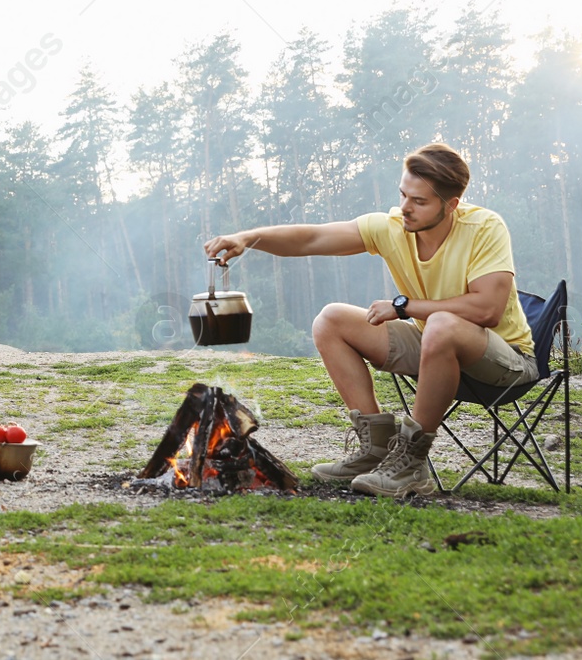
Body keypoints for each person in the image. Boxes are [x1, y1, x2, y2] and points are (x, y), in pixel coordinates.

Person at [203, 142, 536, 497]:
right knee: (332, 320)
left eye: (419, 201)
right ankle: (376, 449)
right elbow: (312, 237)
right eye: (403, 195)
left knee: (439, 323)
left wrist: (404, 306)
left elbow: (487, 310)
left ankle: (410, 464)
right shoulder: (391, 227)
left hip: (504, 363)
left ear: (451, 205)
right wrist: (247, 238)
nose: (405, 208)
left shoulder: (484, 227)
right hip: (435, 348)